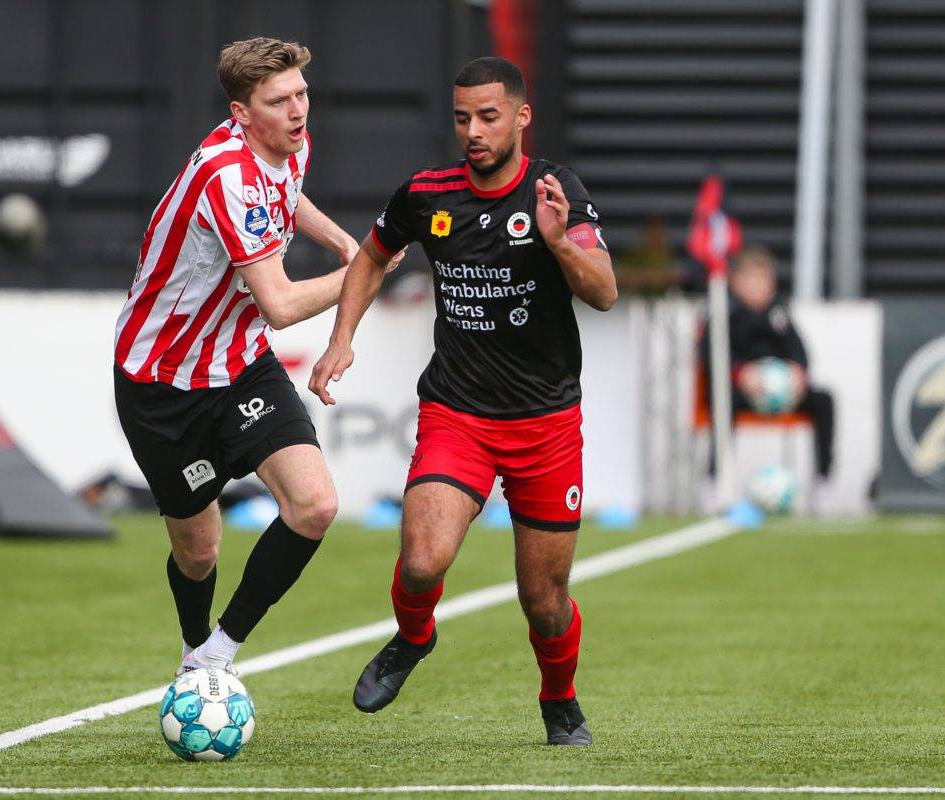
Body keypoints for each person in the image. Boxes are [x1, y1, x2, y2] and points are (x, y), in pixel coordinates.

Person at [309, 57, 616, 746]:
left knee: (544, 602)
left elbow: (604, 291)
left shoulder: (555, 190)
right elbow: (371, 255)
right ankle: (414, 637)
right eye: (461, 118)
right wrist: (341, 339)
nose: (473, 131)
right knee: (422, 560)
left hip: (545, 423)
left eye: (488, 116)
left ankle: (559, 700)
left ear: (521, 117)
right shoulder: (427, 194)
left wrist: (558, 241)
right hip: (458, 414)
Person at [113, 38, 400, 675]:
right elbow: (279, 305)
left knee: (315, 505)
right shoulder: (228, 178)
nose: (298, 110)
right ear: (242, 114)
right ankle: (194, 649)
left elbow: (288, 193)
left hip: (241, 362)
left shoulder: (287, 142)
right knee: (199, 551)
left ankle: (216, 657)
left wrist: (344, 243)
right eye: (279, 101)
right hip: (163, 381)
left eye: (302, 94)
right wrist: (367, 270)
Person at [699, 246, 836, 480]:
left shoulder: (778, 314)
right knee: (723, 401)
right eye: (751, 280)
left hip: (782, 393)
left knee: (824, 400)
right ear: (736, 282)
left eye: (762, 280)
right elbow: (711, 356)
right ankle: (715, 479)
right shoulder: (724, 314)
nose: (758, 287)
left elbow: (799, 351)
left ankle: (824, 479)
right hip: (740, 392)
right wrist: (740, 374)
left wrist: (797, 372)